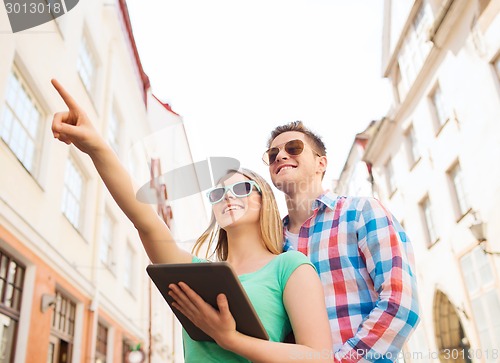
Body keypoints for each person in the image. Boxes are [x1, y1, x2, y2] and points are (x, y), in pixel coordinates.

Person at [50, 80, 333, 363]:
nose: (228, 197)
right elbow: (144, 220)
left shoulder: (290, 266)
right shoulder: (196, 274)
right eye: (218, 192)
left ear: (265, 201)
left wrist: (231, 339)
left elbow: (319, 357)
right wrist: (96, 146)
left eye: (241, 188)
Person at [263, 121, 420, 362]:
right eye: (273, 154)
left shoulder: (362, 213)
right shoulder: (271, 243)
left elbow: (400, 303)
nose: (281, 155)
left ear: (321, 163)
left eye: (293, 148)